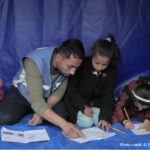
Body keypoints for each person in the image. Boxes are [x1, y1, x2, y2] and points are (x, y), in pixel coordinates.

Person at [0, 39, 85, 139]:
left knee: (62, 115)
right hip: (23, 93)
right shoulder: (34, 60)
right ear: (58, 57)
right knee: (4, 117)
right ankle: (34, 109)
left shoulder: (65, 63)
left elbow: (58, 92)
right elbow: (36, 100)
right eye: (70, 67)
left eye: (76, 68)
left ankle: (39, 111)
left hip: (45, 96)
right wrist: (65, 125)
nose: (73, 72)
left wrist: (42, 111)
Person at [64, 34, 122, 132]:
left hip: (96, 104)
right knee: (84, 123)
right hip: (77, 102)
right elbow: (71, 89)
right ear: (92, 54)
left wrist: (105, 117)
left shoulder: (112, 70)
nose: (99, 68)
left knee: (101, 122)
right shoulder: (82, 65)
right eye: (97, 63)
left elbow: (108, 94)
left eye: (104, 65)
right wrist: (83, 107)